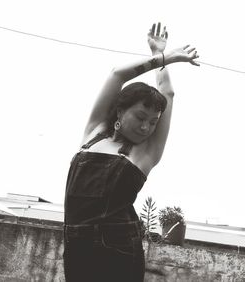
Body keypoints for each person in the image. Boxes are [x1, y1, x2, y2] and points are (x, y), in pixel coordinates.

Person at [63, 22, 199, 282]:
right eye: (140, 116)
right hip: (76, 246)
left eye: (153, 121)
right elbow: (117, 75)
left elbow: (167, 93)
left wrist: (164, 65)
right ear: (120, 110)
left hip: (118, 251)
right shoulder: (94, 133)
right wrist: (161, 55)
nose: (147, 127)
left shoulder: (146, 153)